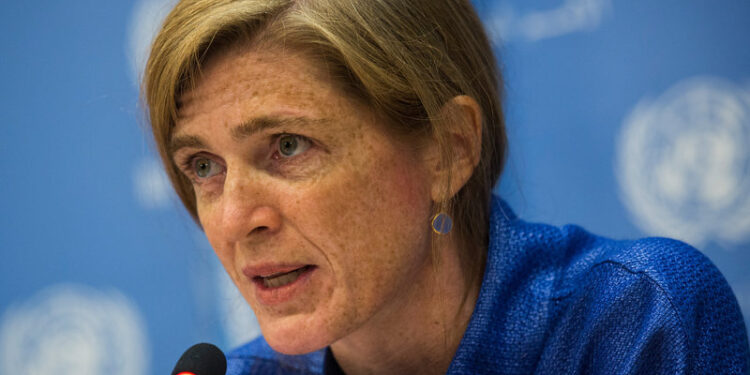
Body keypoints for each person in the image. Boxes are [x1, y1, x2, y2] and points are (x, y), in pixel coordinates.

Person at [143, 0, 750, 373]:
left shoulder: (639, 326)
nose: (232, 220)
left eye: (288, 145)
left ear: (448, 150)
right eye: (203, 166)